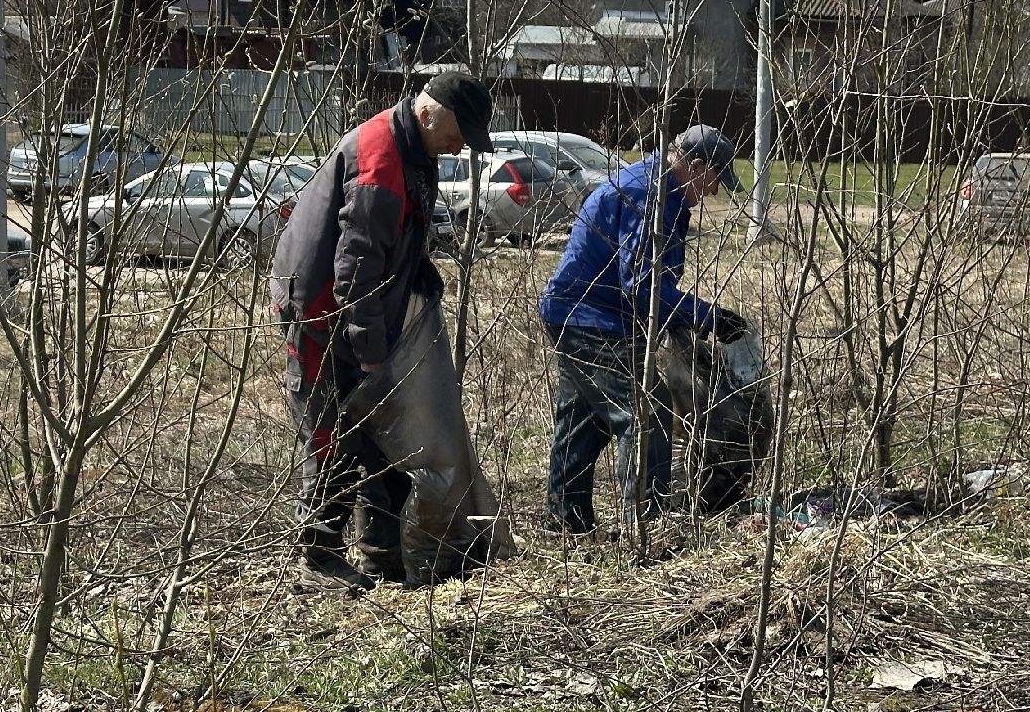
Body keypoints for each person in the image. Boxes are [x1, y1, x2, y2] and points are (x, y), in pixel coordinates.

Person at [270, 72, 495, 592]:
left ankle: (381, 554)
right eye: (461, 134)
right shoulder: (380, 161)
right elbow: (356, 270)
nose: (462, 147)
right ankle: (318, 559)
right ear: (433, 113)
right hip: (322, 314)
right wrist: (370, 351)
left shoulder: (413, 149)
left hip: (358, 309)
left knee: (378, 430)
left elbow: (401, 241)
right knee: (333, 434)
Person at [537, 124, 748, 535]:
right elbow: (644, 288)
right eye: (715, 180)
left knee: (584, 418)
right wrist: (709, 317)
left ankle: (565, 521)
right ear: (696, 166)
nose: (714, 192)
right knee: (645, 413)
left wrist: (689, 316)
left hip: (576, 312)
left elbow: (653, 283)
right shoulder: (649, 195)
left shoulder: (661, 189)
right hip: (592, 316)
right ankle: (647, 528)